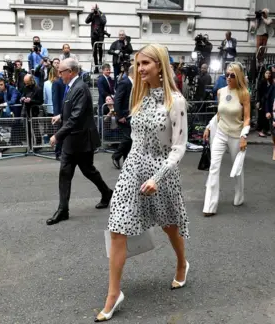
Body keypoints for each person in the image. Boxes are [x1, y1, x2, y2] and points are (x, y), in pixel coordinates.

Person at [96, 44, 189, 322]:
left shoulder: (176, 101)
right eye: (138, 64)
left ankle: (182, 263)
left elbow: (179, 147)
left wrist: (157, 177)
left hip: (162, 172)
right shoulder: (141, 97)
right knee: (117, 227)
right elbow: (136, 139)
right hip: (133, 168)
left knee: (169, 226)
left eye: (145, 63)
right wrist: (129, 168)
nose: (140, 69)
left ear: (160, 65)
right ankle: (114, 294)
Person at [47, 58, 113, 226]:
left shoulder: (81, 88)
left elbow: (76, 117)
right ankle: (63, 210)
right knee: (65, 173)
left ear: (71, 72)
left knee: (88, 170)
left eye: (61, 71)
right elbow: (73, 110)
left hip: (81, 140)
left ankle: (107, 193)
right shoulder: (73, 87)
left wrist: (57, 136)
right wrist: (61, 116)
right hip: (72, 141)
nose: (59, 74)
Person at [202, 62, 251, 216]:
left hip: (237, 134)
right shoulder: (221, 92)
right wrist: (209, 126)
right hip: (221, 133)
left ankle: (239, 195)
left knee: (237, 168)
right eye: (227, 74)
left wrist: (244, 135)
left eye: (232, 75)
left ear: (239, 76)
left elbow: (248, 118)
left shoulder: (244, 93)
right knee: (214, 167)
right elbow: (219, 113)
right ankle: (209, 206)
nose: (228, 78)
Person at [111, 64, 134, 169]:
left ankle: (126, 160)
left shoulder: (133, 83)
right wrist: (119, 115)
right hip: (123, 116)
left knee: (130, 139)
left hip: (131, 115)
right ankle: (116, 156)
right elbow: (117, 100)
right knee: (128, 138)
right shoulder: (124, 82)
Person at [85, 4, 107, 73]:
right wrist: (91, 13)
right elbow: (86, 21)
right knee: (94, 51)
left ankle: (100, 60)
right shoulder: (92, 15)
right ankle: (96, 67)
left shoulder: (102, 14)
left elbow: (103, 22)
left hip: (100, 35)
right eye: (94, 9)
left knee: (100, 48)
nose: (94, 11)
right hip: (93, 35)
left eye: (95, 9)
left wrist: (99, 14)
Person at [256, 69, 272, 137]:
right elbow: (259, 93)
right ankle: (260, 130)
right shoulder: (262, 82)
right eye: (266, 73)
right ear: (264, 74)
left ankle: (265, 130)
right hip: (262, 101)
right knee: (261, 116)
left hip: (268, 101)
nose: (268, 74)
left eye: (269, 73)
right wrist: (258, 101)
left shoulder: (271, 82)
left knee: (266, 116)